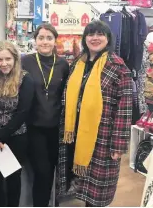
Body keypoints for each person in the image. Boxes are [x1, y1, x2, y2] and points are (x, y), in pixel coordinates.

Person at [57, 20, 133, 207]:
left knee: (97, 191)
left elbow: (124, 108)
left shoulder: (117, 66)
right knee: (81, 184)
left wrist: (118, 145)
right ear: (85, 38)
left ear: (108, 39)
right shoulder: (77, 62)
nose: (95, 38)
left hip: (103, 137)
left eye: (100, 34)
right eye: (91, 34)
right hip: (75, 133)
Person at [22, 23, 70, 207]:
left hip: (58, 128)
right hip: (34, 126)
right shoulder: (26, 61)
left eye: (49, 38)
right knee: (42, 172)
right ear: (35, 40)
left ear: (55, 40)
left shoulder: (63, 64)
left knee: (55, 171)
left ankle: (52, 202)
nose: (44, 42)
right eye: (41, 38)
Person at [0, 41, 34, 207]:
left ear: (15, 59)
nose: (4, 63)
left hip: (16, 137)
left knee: (13, 179)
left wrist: (0, 136)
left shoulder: (25, 80)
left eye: (8, 59)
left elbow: (23, 112)